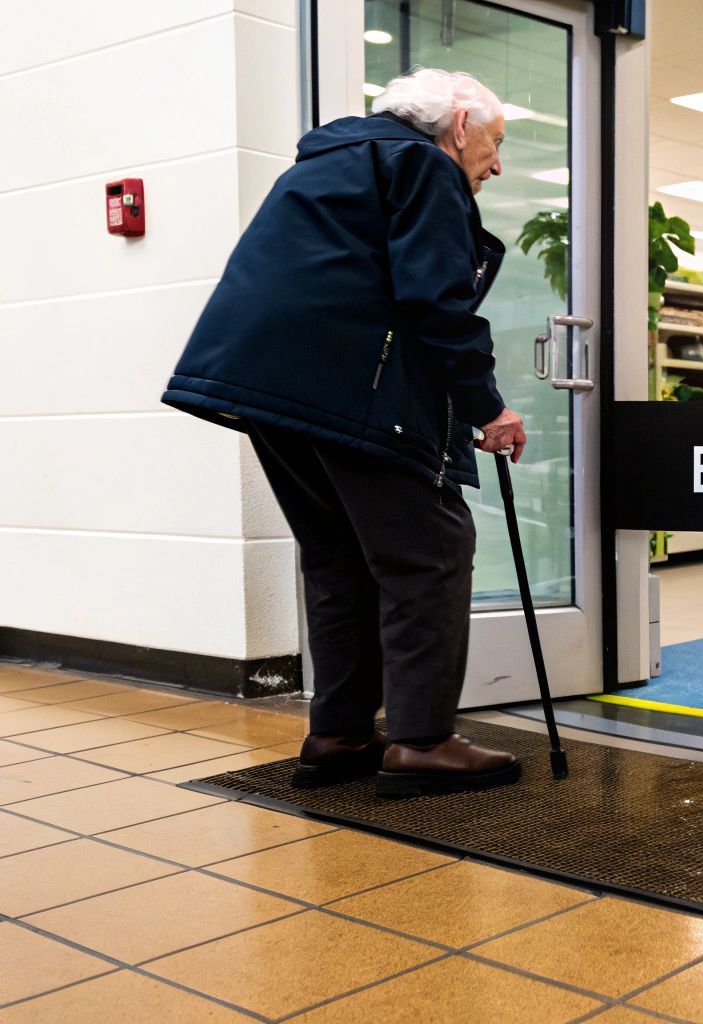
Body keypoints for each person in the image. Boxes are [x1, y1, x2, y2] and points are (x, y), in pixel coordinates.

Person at [164, 69, 527, 798]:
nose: (496, 164)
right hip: (348, 388)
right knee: (431, 550)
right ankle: (422, 741)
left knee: (338, 557)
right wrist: (488, 408)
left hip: (264, 388)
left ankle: (340, 735)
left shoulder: (333, 161)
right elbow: (435, 301)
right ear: (460, 125)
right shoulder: (421, 163)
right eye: (493, 144)